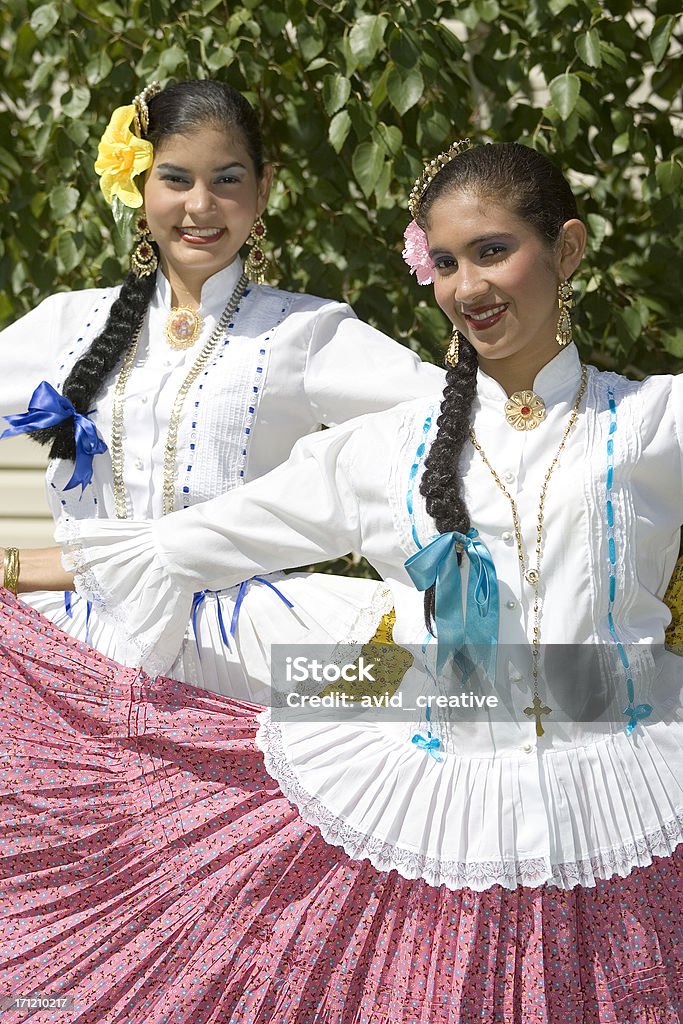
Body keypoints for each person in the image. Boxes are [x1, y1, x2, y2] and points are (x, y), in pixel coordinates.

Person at [1, 140, 682, 1023]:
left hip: (633, 805)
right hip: (442, 819)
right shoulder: (384, 450)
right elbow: (184, 546)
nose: (467, 286)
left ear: (569, 249)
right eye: (443, 263)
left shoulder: (652, 423)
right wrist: (15, 570)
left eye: (491, 251)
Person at [0, 79, 443, 701]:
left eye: (227, 180)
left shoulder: (303, 332)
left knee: (444, 698)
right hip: (65, 649)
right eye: (175, 179)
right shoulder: (69, 322)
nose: (200, 205)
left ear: (263, 190)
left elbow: (452, 420)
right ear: (138, 186)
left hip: (241, 654)